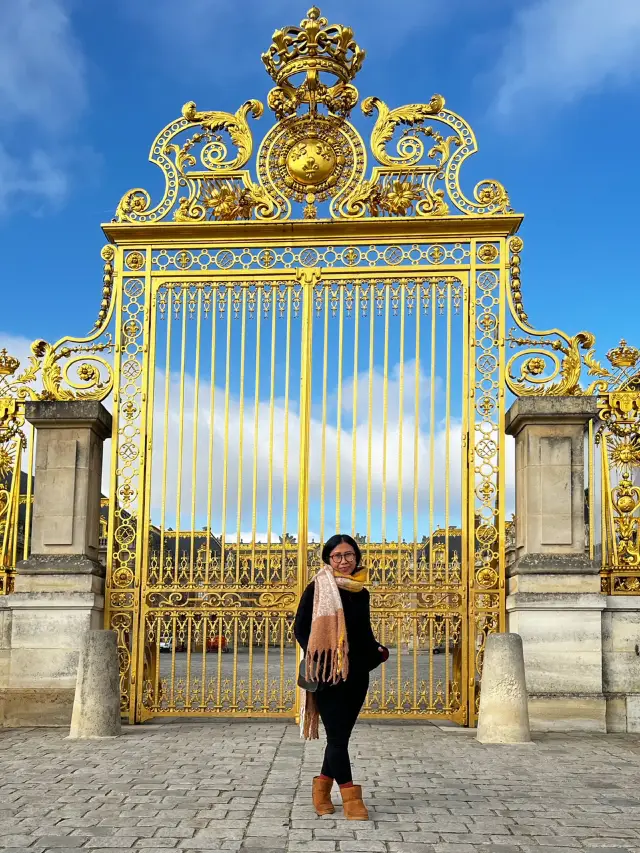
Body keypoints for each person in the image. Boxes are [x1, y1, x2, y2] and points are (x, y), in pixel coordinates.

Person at [294, 533, 389, 820]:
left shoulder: (361, 592)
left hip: (356, 674)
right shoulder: (317, 588)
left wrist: (377, 651)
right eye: (337, 556)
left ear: (356, 557)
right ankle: (351, 798)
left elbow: (363, 632)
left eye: (349, 555)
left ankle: (321, 790)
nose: (344, 561)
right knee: (336, 737)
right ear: (328, 559)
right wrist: (322, 658)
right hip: (327, 674)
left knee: (341, 737)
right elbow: (301, 629)